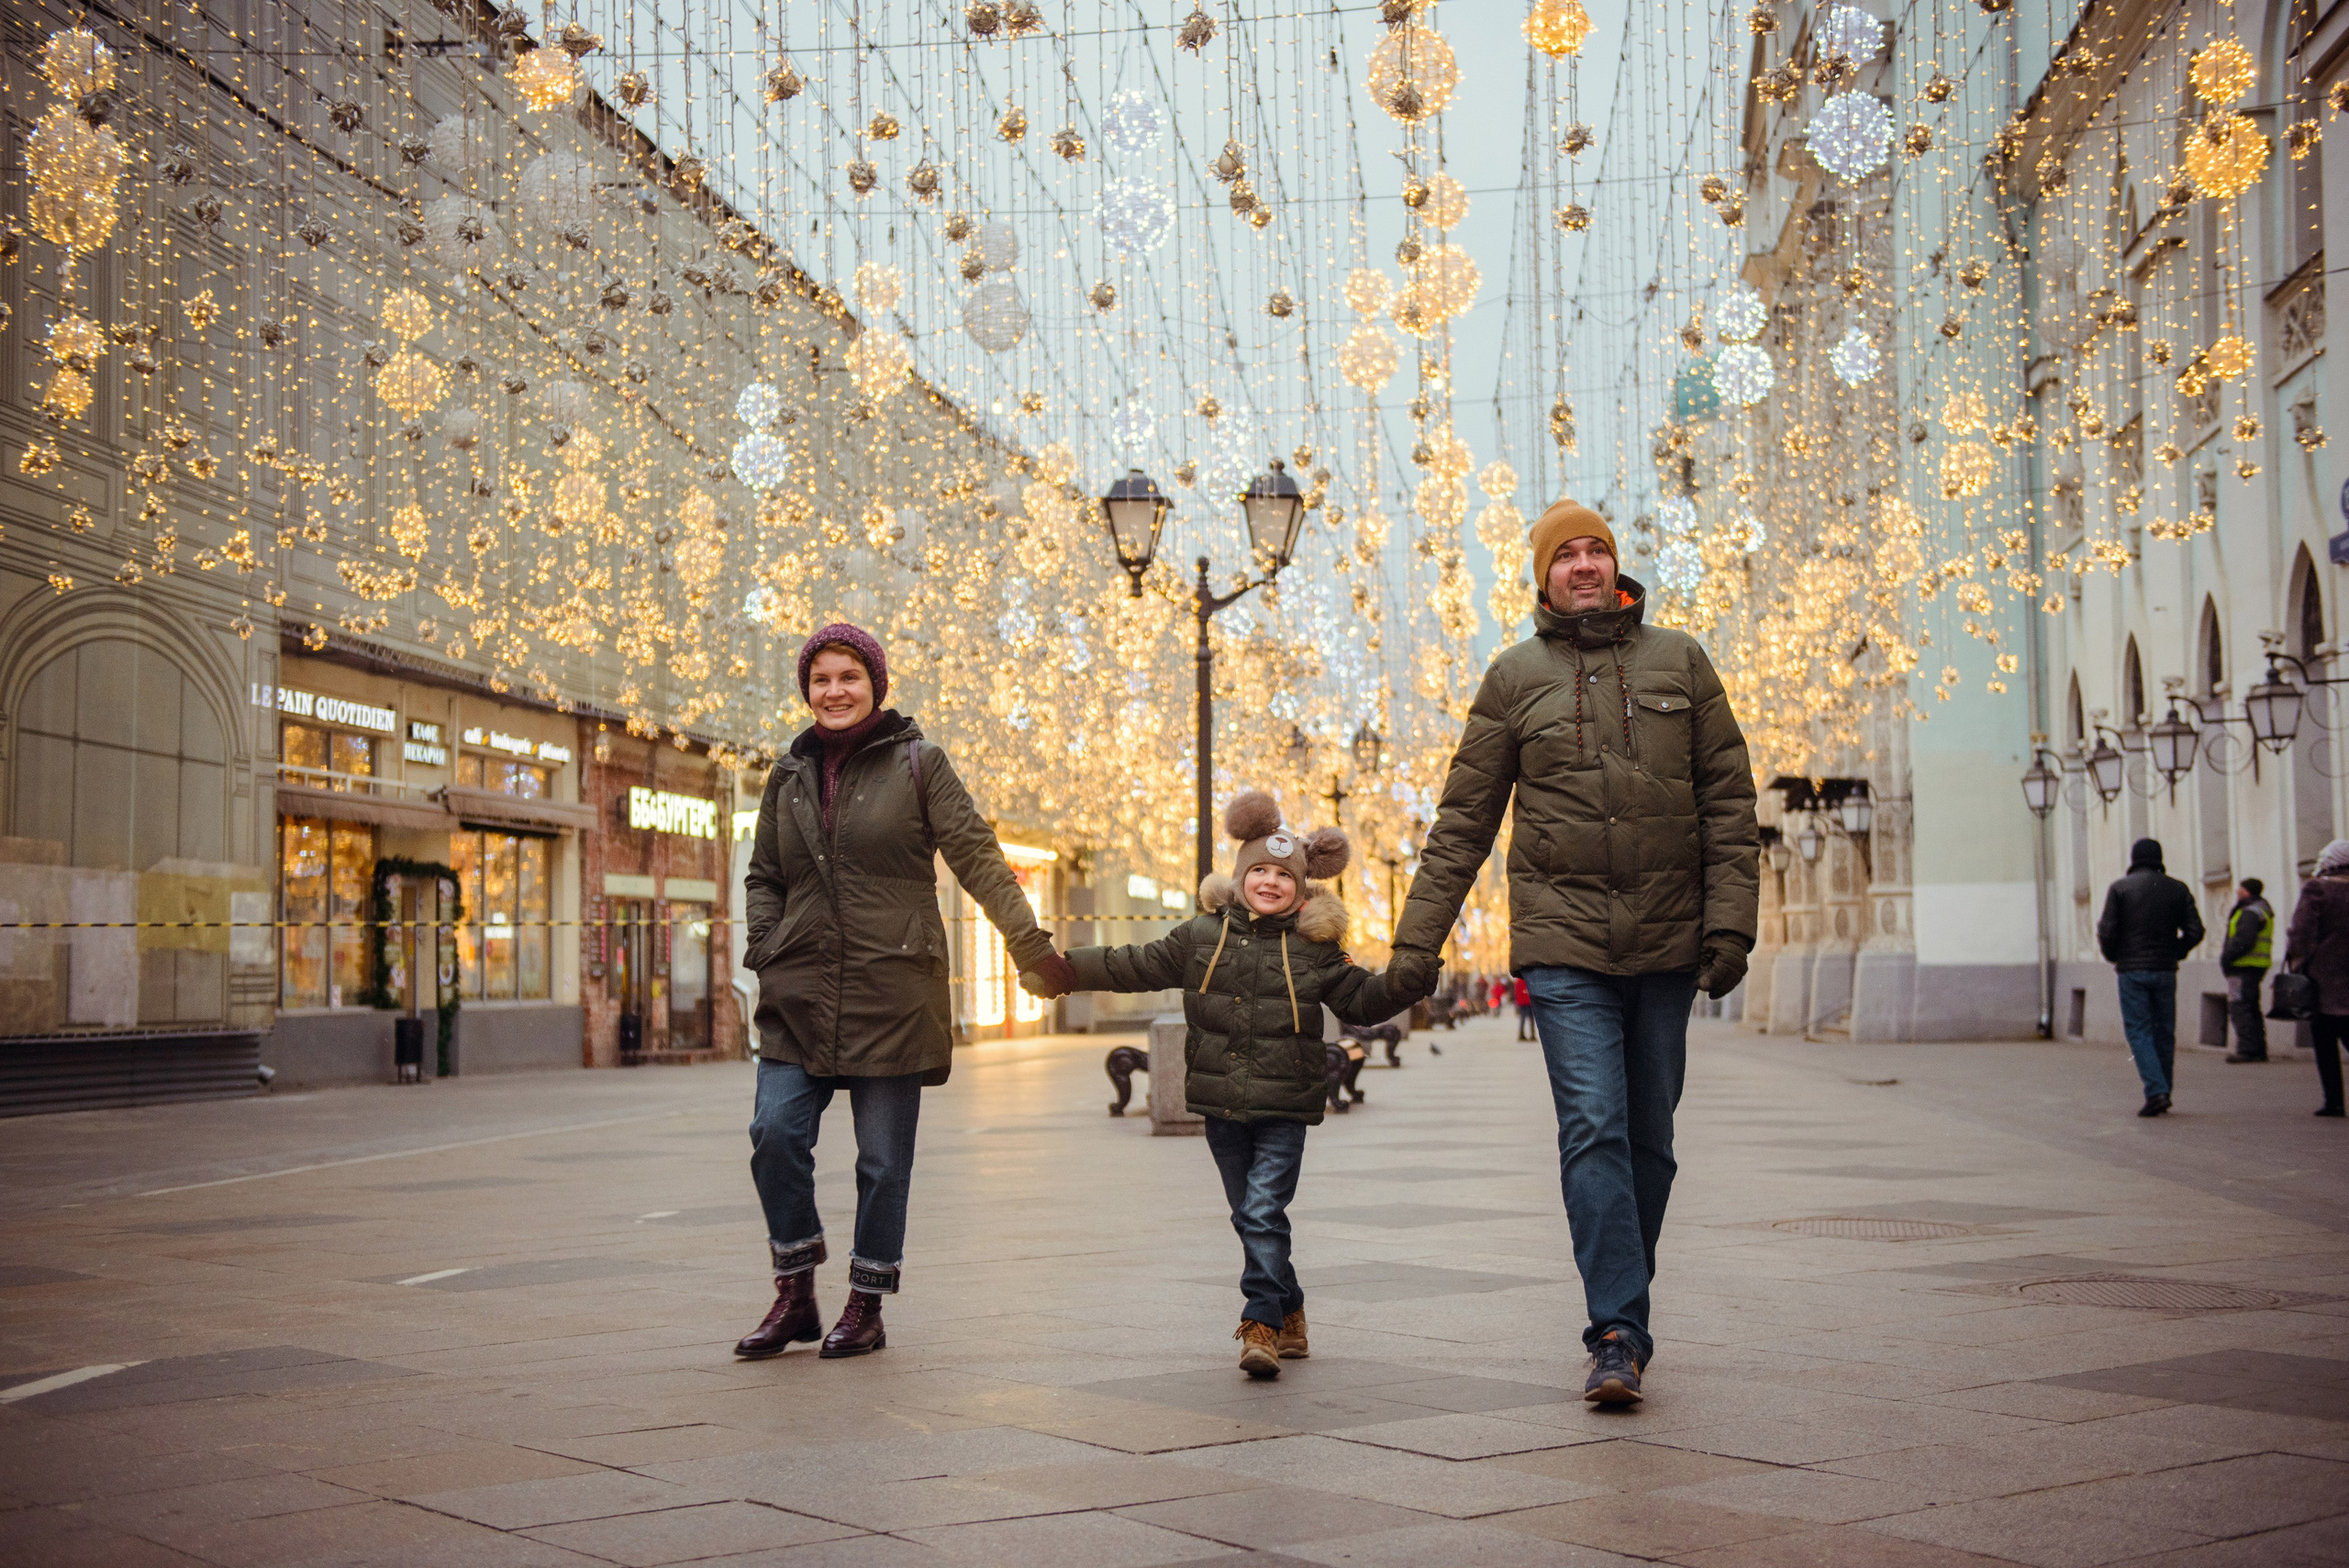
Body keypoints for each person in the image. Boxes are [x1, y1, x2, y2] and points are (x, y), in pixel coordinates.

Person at [1382, 500, 1759, 1406]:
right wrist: (1412, 951)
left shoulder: (1682, 661)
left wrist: (1730, 924)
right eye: (1566, 555)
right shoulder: (1514, 677)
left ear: (1615, 566)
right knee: (1593, 1122)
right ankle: (1618, 1329)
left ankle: (1621, 1300)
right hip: (1562, 943)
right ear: (1543, 574)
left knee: (1651, 1140)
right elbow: (1461, 822)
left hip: (1667, 937)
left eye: (1596, 550)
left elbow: (1729, 802)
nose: (1583, 565)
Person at [733, 623, 1058, 1359]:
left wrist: (1029, 944)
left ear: (875, 683)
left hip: (891, 989)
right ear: (806, 689)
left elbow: (977, 856)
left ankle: (866, 1303)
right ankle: (796, 1290)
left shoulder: (920, 763)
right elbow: (764, 874)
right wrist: (766, 941)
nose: (834, 690)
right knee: (774, 1134)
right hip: (800, 989)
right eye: (821, 679)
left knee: (882, 1162)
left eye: (849, 675)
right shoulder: (786, 774)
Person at [1022, 792, 1404, 1378]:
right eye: (1260, 871)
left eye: (1284, 875)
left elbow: (1364, 999)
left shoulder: (1316, 949)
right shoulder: (1202, 935)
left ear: (1303, 889)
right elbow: (1135, 963)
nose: (1271, 882)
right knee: (1250, 1214)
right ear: (1240, 877)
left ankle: (1261, 1325)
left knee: (1263, 1209)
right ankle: (1292, 1310)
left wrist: (1411, 974)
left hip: (1286, 1104)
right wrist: (1066, 968)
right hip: (1221, 1101)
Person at [2096, 838, 2206, 1118]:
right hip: (2166, 969)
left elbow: (2107, 931)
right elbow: (2195, 930)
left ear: (2134, 858)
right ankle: (2164, 1090)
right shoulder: (2177, 889)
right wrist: (2175, 952)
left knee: (2139, 1031)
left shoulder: (2120, 888)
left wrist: (2115, 957)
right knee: (2164, 1031)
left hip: (2132, 970)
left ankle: (2156, 1091)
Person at [2282, 840, 2349, 1118]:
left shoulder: (2317, 888)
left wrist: (2297, 963)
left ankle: (2333, 1101)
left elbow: (2302, 931)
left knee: (2325, 1039)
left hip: (2324, 977)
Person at [2219, 878, 2273, 1063]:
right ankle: (2258, 1049)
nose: (2237, 891)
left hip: (2242, 966)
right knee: (2251, 1006)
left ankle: (2248, 1050)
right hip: (2256, 966)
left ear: (2247, 891)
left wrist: (2226, 958)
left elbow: (2244, 940)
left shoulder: (2249, 911)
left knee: (2240, 1007)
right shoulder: (2261, 909)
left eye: (2240, 889)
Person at [1514, 974, 1535, 1041]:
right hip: (1527, 1003)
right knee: (1530, 1020)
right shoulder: (1529, 981)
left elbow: (1517, 993)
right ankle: (1531, 1034)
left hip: (1524, 1003)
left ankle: (1522, 1034)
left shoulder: (1519, 981)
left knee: (1523, 1019)